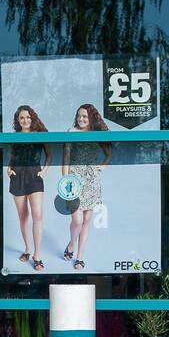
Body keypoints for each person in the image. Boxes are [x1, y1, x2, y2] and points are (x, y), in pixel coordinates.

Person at [61, 103, 112, 271]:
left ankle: (80, 257)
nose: (81, 119)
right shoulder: (71, 132)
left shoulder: (97, 134)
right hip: (74, 179)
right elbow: (66, 159)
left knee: (87, 221)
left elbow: (108, 155)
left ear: (91, 118)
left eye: (84, 116)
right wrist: (65, 181)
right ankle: (71, 244)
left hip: (92, 180)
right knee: (77, 219)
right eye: (79, 115)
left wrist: (101, 167)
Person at [7, 105, 50, 271]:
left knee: (37, 214)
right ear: (18, 121)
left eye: (28, 117)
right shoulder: (15, 136)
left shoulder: (40, 135)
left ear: (32, 118)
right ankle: (27, 249)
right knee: (23, 215)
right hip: (17, 175)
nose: (25, 120)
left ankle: (37, 255)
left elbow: (49, 154)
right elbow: (13, 156)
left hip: (34, 174)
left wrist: (44, 170)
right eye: (22, 118)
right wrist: (9, 168)